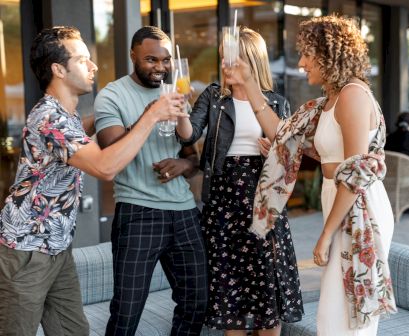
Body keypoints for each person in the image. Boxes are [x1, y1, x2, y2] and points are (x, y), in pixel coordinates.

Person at [0, 26, 186, 336]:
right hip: (25, 252)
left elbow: (90, 129)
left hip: (58, 250)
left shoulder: (67, 116)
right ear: (58, 69)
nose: (94, 66)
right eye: (83, 59)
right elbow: (105, 167)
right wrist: (152, 115)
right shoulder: (49, 118)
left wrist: (121, 110)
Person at [221, 16, 397, 335]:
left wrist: (326, 234)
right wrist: (247, 83)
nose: (301, 62)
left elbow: (355, 173)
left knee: (345, 316)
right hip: (339, 200)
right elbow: (282, 133)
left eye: (307, 54)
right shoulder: (326, 102)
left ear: (328, 55)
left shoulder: (352, 96)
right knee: (335, 315)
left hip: (359, 206)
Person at [176, 26, 303, 336]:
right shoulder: (214, 96)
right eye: (222, 59)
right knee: (231, 295)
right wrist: (179, 109)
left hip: (262, 201)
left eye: (231, 60)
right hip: (224, 201)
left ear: (252, 62)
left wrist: (273, 152)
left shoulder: (275, 102)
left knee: (266, 291)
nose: (224, 66)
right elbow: (189, 134)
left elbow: (290, 159)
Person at [94, 26, 207, 336]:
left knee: (197, 302)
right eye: (150, 59)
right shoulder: (112, 95)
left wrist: (183, 163)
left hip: (184, 212)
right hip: (138, 212)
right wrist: (150, 115)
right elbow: (110, 150)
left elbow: (194, 157)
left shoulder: (174, 94)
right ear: (133, 56)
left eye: (165, 60)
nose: (160, 67)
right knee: (127, 311)